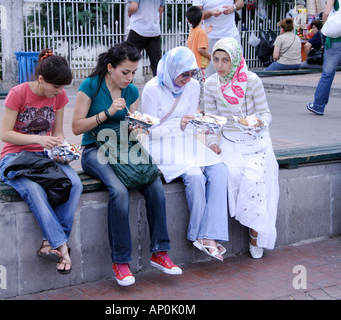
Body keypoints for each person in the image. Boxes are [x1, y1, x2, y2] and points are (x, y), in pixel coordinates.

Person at [71, 42, 181, 287]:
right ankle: (120, 262)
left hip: (124, 148)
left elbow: (132, 127)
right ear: (110, 68)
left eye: (133, 72)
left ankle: (160, 252)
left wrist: (139, 128)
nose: (130, 77)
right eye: (125, 72)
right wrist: (108, 113)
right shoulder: (90, 86)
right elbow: (77, 127)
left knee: (154, 186)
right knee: (119, 191)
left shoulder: (131, 91)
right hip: (94, 150)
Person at [0, 49, 82, 275]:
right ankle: (62, 246)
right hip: (15, 158)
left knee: (75, 184)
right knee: (35, 190)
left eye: (63, 87)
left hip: (46, 157)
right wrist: (38, 139)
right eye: (56, 87)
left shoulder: (59, 97)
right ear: (41, 79)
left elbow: (58, 133)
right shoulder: (18, 93)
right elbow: (5, 134)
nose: (60, 92)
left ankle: (50, 240)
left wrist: (64, 149)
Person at [141, 47, 229, 261]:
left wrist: (205, 131)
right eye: (184, 74)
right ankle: (200, 235)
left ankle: (211, 235)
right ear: (172, 69)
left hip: (185, 140)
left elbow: (192, 124)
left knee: (219, 169)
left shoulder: (193, 86)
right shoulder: (153, 88)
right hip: (160, 144)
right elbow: (149, 132)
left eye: (192, 74)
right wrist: (177, 127)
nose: (188, 79)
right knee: (196, 176)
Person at [204, 38, 279, 259]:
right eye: (216, 59)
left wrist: (253, 122)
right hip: (229, 139)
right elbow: (210, 122)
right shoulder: (210, 83)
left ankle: (256, 236)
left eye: (225, 60)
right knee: (232, 174)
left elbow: (266, 114)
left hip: (256, 139)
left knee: (255, 176)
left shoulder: (252, 80)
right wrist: (212, 143)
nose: (219, 65)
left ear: (235, 59)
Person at [193, 0, 245, 78]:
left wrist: (233, 7)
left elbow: (240, 3)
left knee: (238, 70)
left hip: (231, 35)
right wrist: (211, 13)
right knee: (211, 74)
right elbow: (197, 14)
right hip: (211, 37)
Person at [126, 0, 165, 77]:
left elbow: (133, 7)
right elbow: (160, 10)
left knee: (128, 61)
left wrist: (129, 12)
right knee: (157, 65)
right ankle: (159, 87)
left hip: (138, 30)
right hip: (154, 31)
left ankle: (126, 87)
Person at [186, 5, 212, 109]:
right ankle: (197, 110)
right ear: (202, 17)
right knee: (198, 90)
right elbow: (201, 49)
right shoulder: (201, 32)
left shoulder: (193, 31)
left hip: (192, 65)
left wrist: (206, 32)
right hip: (199, 66)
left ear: (188, 20)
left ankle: (194, 109)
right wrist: (212, 56)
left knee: (193, 89)